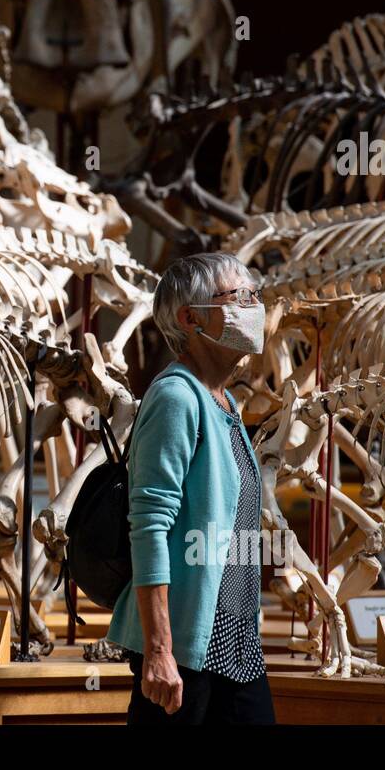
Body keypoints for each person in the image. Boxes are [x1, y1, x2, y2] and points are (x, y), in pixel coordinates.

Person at [104, 251, 275, 724]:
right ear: (190, 318)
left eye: (254, 296)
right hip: (184, 645)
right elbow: (149, 525)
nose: (254, 307)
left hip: (236, 639)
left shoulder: (225, 402)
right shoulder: (176, 397)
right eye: (239, 297)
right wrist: (160, 650)